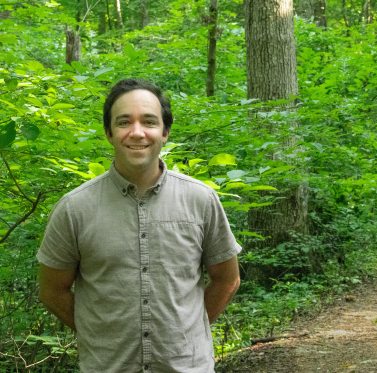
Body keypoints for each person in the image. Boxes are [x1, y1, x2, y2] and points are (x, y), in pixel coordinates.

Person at [37, 78, 241, 372]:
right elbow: (52, 290)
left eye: (149, 121)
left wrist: (185, 332)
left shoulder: (200, 200)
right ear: (109, 132)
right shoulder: (74, 208)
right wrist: (100, 335)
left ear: (165, 132)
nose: (137, 132)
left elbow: (227, 279)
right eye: (123, 122)